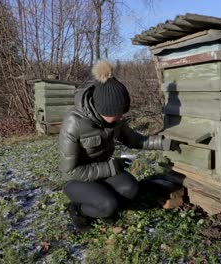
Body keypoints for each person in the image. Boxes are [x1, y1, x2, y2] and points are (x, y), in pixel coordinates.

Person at [58, 60, 178, 231]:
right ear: (102, 109)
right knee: (108, 205)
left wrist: (164, 143)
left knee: (131, 188)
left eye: (122, 113)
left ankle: (103, 206)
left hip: (102, 173)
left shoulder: (115, 121)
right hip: (77, 179)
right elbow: (69, 171)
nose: (121, 117)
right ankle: (79, 210)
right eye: (117, 113)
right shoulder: (74, 123)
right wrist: (112, 167)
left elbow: (135, 140)